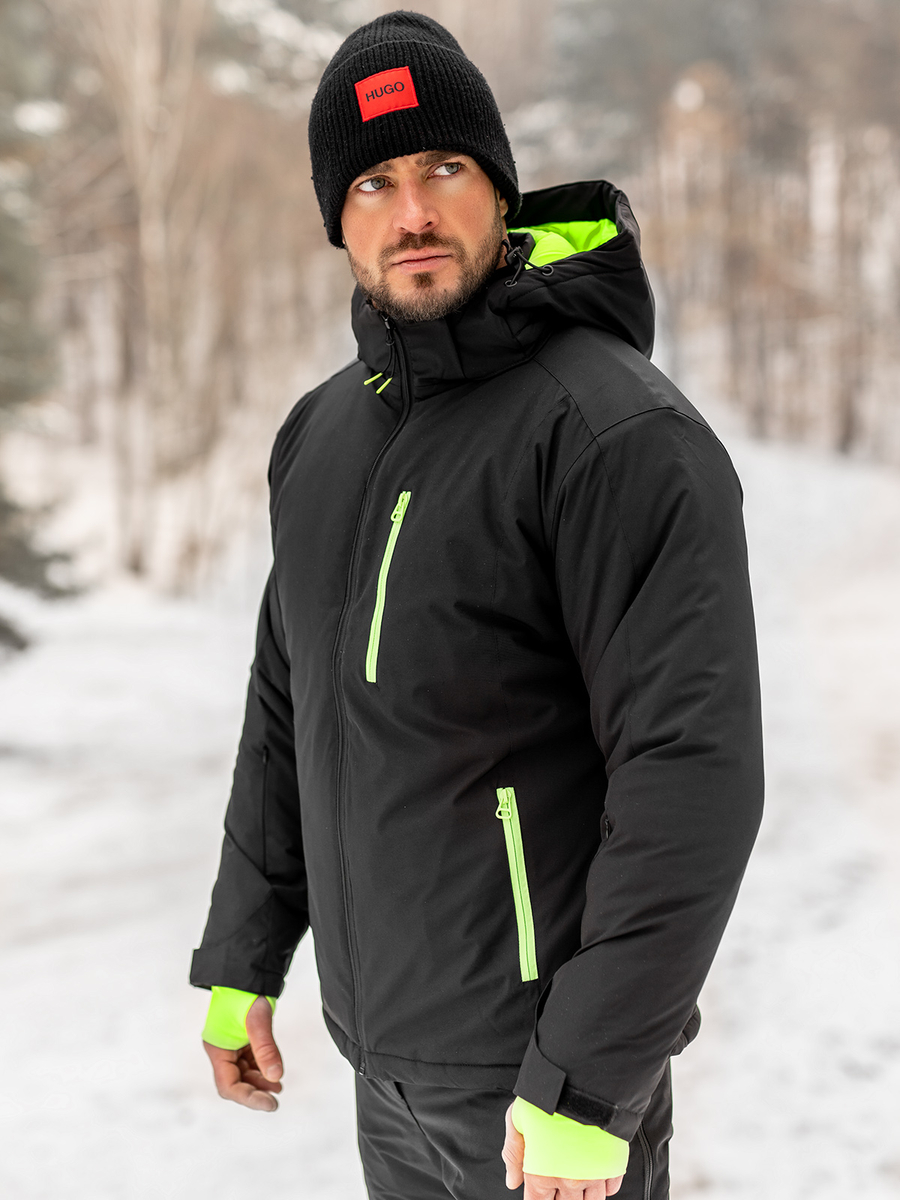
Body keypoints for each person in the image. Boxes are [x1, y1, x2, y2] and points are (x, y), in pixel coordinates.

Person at [190, 11, 764, 1200]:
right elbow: (287, 707)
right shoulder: (321, 434)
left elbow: (689, 775)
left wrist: (589, 1085)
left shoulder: (613, 435)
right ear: (336, 219)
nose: (412, 212)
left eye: (444, 168)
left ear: (499, 189)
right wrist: (245, 955)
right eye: (373, 183)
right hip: (385, 1078)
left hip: (538, 1088)